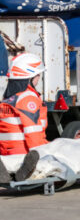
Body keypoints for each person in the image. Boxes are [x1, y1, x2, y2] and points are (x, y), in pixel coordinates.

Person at [0, 53, 49, 182]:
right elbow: (33, 133)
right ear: (31, 77)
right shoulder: (28, 98)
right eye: (38, 75)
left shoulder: (9, 98)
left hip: (7, 152)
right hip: (23, 153)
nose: (39, 79)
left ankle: (8, 169)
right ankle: (25, 170)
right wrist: (41, 155)